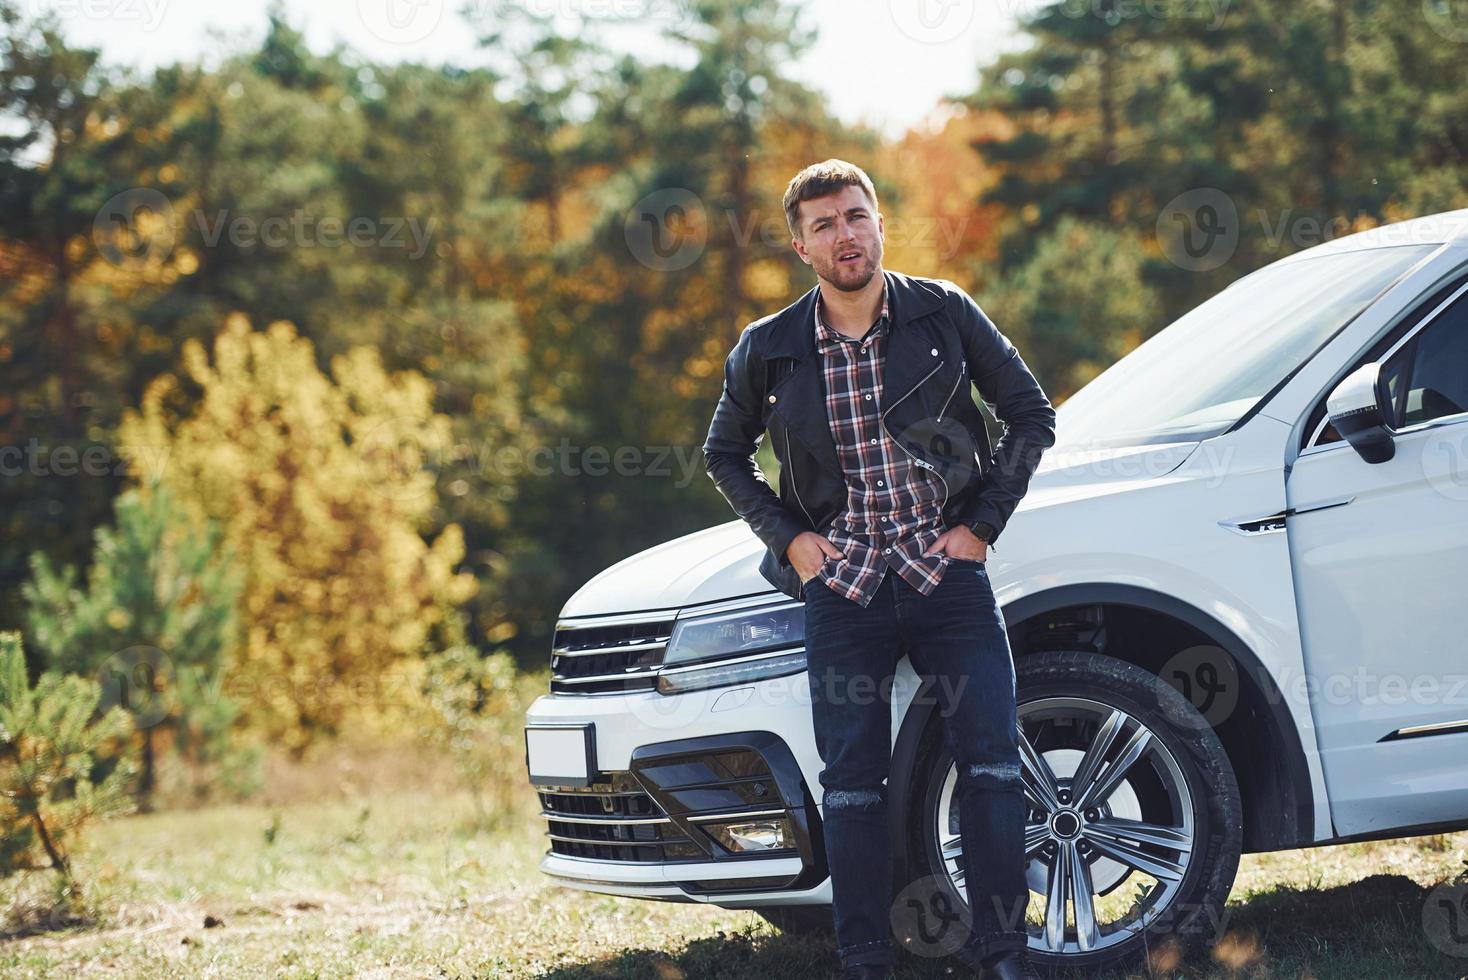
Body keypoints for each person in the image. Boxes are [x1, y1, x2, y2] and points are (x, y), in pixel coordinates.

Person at [702, 159, 1057, 979]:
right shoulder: (770, 347)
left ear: (880, 222)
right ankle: (865, 960)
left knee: (994, 769)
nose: (844, 234)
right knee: (854, 787)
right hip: (845, 588)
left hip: (946, 578)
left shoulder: (943, 312)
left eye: (855, 216)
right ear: (801, 246)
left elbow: (1031, 414)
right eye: (823, 224)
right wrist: (791, 540)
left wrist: (980, 525)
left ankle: (1003, 955)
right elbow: (723, 453)